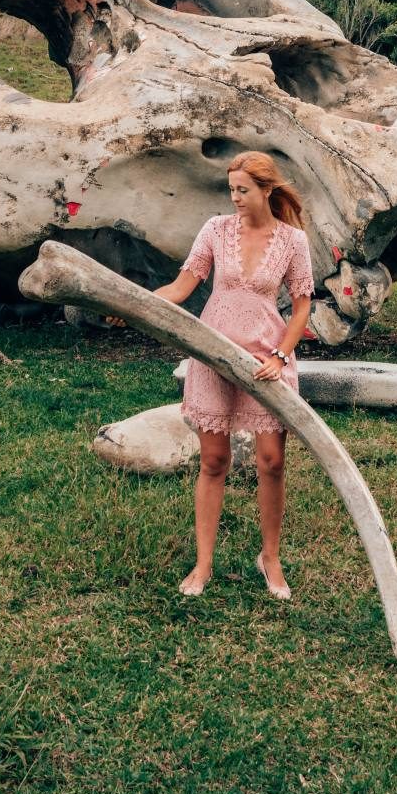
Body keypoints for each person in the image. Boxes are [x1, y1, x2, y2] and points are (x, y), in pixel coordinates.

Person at [153, 151, 314, 600]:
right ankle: (203, 564)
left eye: (244, 190)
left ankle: (270, 557)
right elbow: (184, 286)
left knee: (272, 461)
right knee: (214, 461)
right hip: (213, 354)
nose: (236, 198)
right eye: (232, 190)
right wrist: (139, 304)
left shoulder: (292, 241)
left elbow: (302, 305)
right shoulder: (215, 230)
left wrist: (282, 356)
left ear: (267, 190)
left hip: (267, 360)